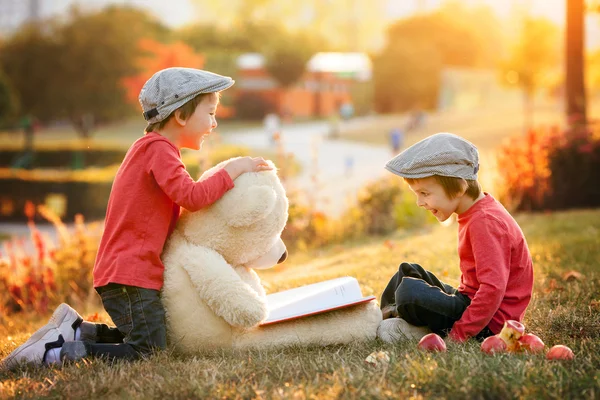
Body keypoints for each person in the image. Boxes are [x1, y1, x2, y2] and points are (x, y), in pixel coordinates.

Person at [0, 67, 273, 370]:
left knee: (148, 335)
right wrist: (234, 169)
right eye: (209, 113)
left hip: (127, 272)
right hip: (131, 275)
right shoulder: (159, 150)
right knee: (149, 350)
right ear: (181, 116)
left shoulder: (153, 149)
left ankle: (78, 329)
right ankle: (57, 352)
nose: (214, 122)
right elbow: (192, 197)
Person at [378, 133, 533, 343]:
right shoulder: (477, 210)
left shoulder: (484, 221)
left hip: (491, 324)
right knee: (407, 271)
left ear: (460, 187)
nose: (419, 202)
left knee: (408, 291)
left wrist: (459, 334)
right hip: (469, 301)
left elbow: (493, 289)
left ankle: (400, 318)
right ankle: (386, 316)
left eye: (425, 193)